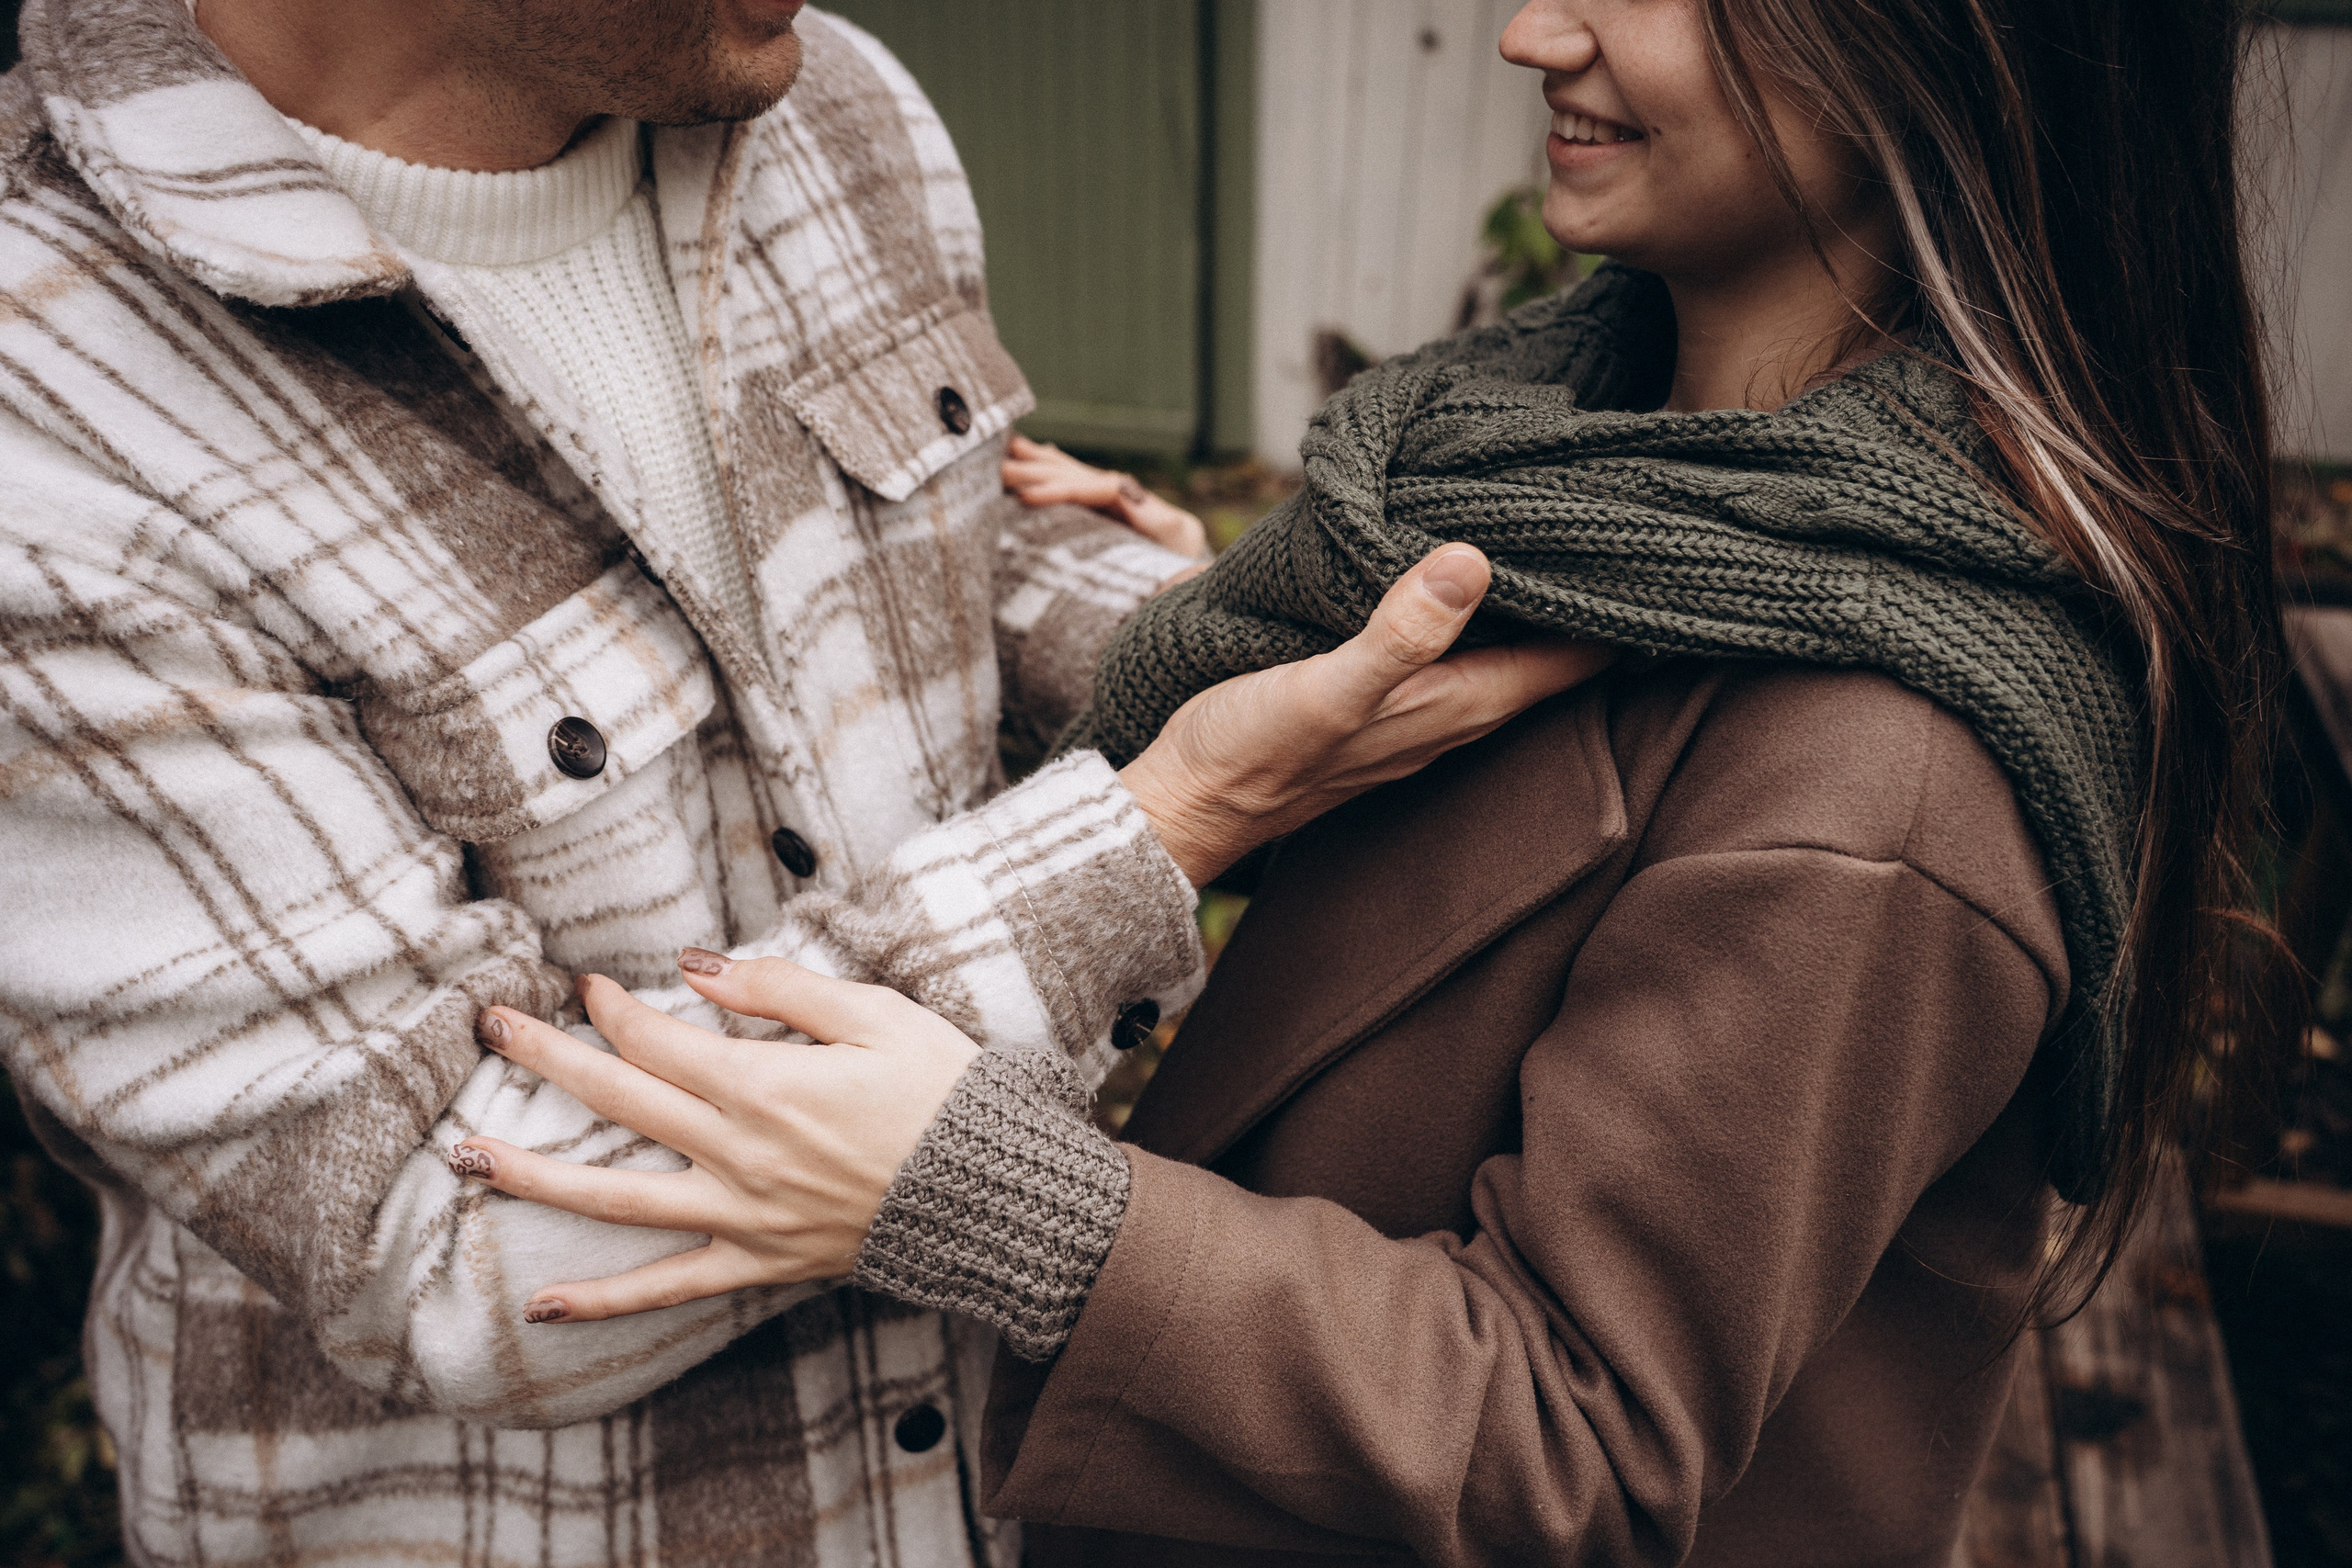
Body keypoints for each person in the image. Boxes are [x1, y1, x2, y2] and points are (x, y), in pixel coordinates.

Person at [438, 0, 2291, 1563]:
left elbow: (1571, 1433)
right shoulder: (1579, 482)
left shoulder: (1882, 768)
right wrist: (1189, 616)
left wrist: (991, 1196)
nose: (1532, 32)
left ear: (1942, 54)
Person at [0, 0, 1599, 1564]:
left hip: (982, 1488)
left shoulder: (833, 108)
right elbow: (455, 1244)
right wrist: (1167, 820)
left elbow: (950, 558)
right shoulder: (50, 404)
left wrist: (1249, 638)